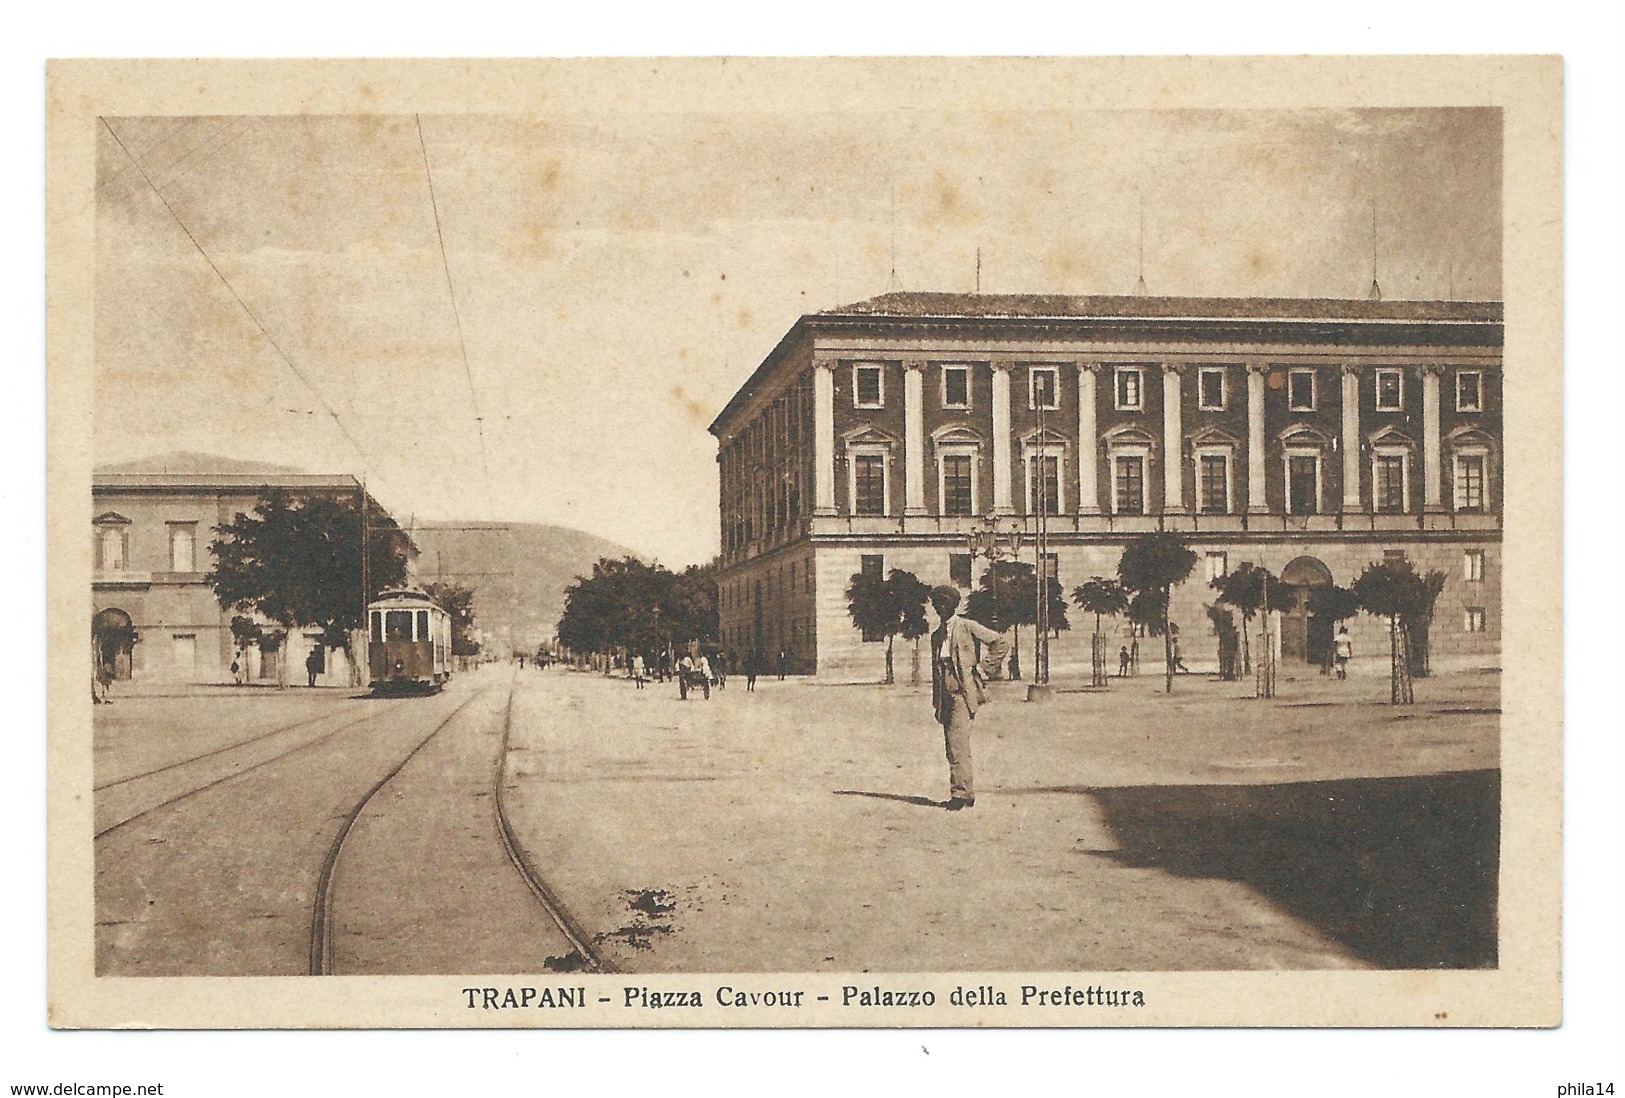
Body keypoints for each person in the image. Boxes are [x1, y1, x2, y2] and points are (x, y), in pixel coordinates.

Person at [929, 586, 1009, 811]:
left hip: (964, 693)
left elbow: (1000, 643)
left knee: (957, 744)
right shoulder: (936, 636)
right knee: (953, 745)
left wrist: (984, 669)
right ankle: (966, 792)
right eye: (936, 604)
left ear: (953, 605)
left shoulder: (967, 626)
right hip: (946, 695)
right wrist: (937, 702)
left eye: (943, 604)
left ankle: (960, 794)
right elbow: (936, 672)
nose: (939, 608)